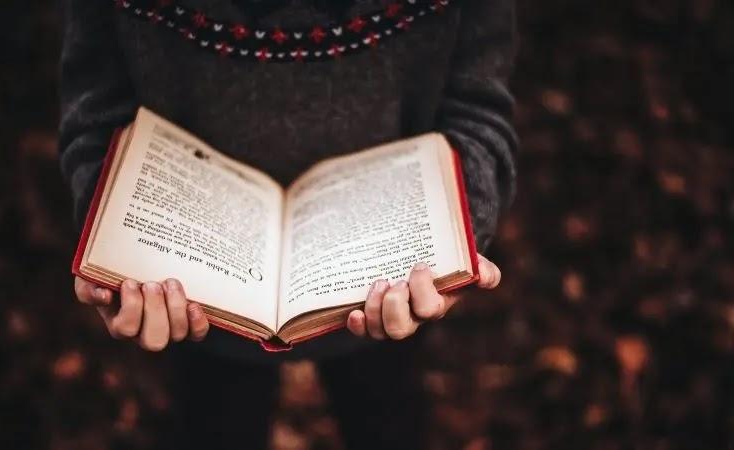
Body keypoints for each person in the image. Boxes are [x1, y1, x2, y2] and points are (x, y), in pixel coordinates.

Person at [60, 0, 517, 448]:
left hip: (386, 287)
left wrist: (455, 240)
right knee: (216, 424)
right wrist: (112, 248)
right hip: (196, 297)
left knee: (386, 416)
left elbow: (476, 107)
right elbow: (99, 109)